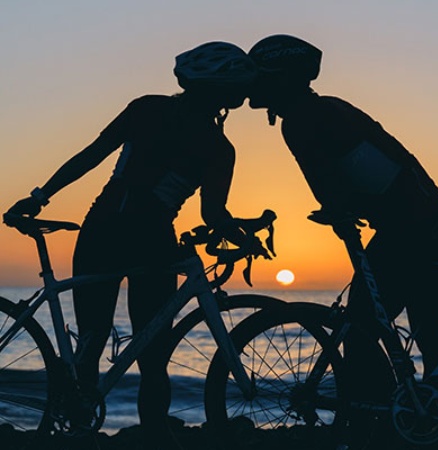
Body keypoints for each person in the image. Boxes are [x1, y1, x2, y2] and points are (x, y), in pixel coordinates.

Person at [6, 41, 258, 449]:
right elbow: (213, 215)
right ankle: (155, 436)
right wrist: (243, 235)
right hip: (151, 240)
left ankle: (78, 424)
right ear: (223, 92)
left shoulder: (147, 108)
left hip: (101, 230)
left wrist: (40, 196)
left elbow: (91, 155)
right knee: (153, 355)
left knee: (92, 338)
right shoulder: (218, 147)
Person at [247, 34, 438, 402]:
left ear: (283, 79)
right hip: (429, 222)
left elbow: (325, 180)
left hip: (413, 228)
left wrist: (338, 213)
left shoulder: (303, 119)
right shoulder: (327, 109)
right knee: (428, 330)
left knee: (360, 326)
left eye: (262, 76)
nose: (253, 85)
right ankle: (413, 413)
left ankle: (383, 414)